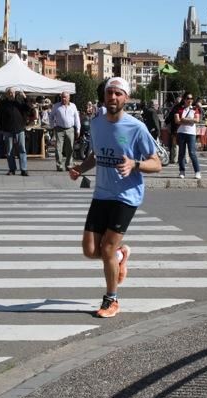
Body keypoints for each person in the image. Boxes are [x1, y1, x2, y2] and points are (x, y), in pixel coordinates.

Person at [68, 77, 162, 318]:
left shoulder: (136, 127)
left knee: (107, 248)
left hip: (126, 195)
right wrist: (80, 168)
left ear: (125, 98)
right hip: (102, 193)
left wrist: (136, 164)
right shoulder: (97, 123)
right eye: (110, 93)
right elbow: (96, 155)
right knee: (90, 250)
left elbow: (157, 163)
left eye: (118, 94)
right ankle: (121, 255)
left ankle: (111, 300)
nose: (113, 97)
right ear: (104, 96)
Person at [0, 87, 30, 176]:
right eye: (10, 93)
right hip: (7, 129)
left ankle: (24, 169)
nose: (12, 94)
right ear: (6, 94)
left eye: (13, 92)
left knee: (22, 149)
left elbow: (28, 108)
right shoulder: (3, 103)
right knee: (9, 151)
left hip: (19, 129)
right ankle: (12, 169)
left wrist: (25, 98)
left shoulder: (19, 102)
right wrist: (0, 128)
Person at [50, 91, 81, 171]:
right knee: (58, 148)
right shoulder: (56, 106)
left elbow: (76, 118)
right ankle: (59, 165)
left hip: (70, 129)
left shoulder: (73, 106)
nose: (63, 99)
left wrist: (78, 129)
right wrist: (52, 126)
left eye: (65, 97)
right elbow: (51, 116)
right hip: (59, 129)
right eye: (62, 97)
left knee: (70, 148)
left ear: (69, 98)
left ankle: (68, 165)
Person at [174, 91, 201, 179]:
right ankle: (182, 171)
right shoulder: (179, 109)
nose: (190, 100)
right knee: (181, 153)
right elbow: (177, 121)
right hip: (181, 133)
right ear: (184, 100)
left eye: (191, 98)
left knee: (192, 153)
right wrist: (190, 120)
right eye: (188, 98)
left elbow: (197, 120)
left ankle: (197, 172)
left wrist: (184, 119)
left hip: (191, 133)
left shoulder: (194, 109)